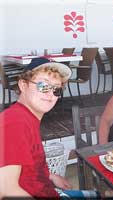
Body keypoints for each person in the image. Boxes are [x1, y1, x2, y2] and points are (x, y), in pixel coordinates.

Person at [0, 58, 98, 199]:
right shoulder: (14, 123)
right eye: (43, 86)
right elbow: (6, 191)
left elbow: (28, 167)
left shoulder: (26, 117)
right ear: (23, 85)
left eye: (56, 89)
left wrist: (50, 176)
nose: (50, 94)